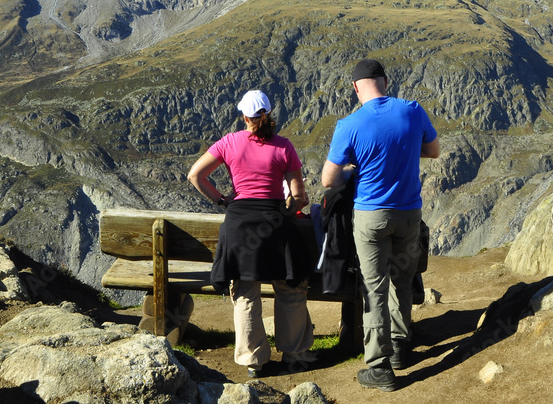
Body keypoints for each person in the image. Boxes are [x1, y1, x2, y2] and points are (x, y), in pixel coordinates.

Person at [321, 59, 440, 392]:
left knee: (374, 288)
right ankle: (401, 346)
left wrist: (353, 169)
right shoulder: (413, 111)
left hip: (371, 216)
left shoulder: (350, 124)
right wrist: (400, 152)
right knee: (402, 278)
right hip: (409, 213)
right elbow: (433, 150)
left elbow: (328, 179)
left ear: (356, 88)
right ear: (385, 82)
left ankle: (379, 366)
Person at [188, 89, 315, 378]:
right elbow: (298, 196)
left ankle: (253, 361)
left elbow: (195, 175)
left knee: (245, 293)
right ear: (268, 114)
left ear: (244, 116)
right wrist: (290, 206)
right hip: (273, 224)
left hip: (239, 225)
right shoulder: (284, 147)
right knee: (290, 288)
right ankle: (295, 352)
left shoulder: (229, 142)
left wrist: (222, 200)